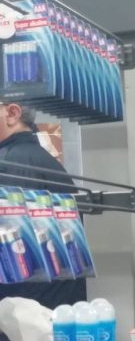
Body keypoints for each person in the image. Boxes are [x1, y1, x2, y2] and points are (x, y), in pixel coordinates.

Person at [0, 102, 86, 309]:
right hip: (51, 307)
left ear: (12, 113)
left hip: (25, 311)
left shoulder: (10, 163)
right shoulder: (41, 159)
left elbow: (10, 249)